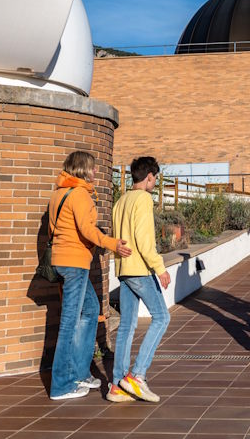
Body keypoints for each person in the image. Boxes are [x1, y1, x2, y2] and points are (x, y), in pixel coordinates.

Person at [48, 151, 132, 401]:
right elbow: (87, 230)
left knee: (89, 310)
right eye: (93, 168)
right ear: (83, 169)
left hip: (63, 262)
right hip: (74, 264)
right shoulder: (80, 194)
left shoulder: (59, 193)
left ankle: (79, 372)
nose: (96, 172)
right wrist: (112, 243)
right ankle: (61, 385)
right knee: (69, 323)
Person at [107, 156, 172, 403]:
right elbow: (144, 241)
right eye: (154, 178)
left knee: (127, 325)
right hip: (140, 269)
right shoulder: (143, 199)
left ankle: (117, 385)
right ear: (149, 177)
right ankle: (137, 375)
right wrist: (160, 268)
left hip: (124, 269)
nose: (154, 183)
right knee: (162, 317)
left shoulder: (121, 201)